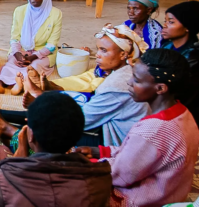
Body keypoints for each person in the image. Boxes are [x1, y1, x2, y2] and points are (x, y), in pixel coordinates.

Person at [74, 49, 199, 206]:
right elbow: (134, 154)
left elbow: (121, 175)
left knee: (67, 185)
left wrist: (88, 164)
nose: (129, 82)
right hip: (172, 193)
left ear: (160, 88)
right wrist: (101, 152)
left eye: (137, 80)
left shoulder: (152, 130)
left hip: (139, 200)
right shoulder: (183, 113)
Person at [13, 24, 150, 147]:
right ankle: (34, 102)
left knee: (43, 133)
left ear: (123, 54)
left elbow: (81, 121)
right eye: (98, 50)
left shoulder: (117, 84)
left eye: (104, 50)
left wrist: (44, 113)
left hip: (112, 144)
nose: (97, 55)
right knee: (48, 109)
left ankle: (9, 129)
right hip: (104, 125)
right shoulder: (126, 71)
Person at [0, 92, 113, 207]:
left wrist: (17, 161)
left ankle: (1, 134)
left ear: (32, 136)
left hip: (12, 172)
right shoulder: (100, 181)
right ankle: (4, 128)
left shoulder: (2, 180)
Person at [0, 0, 61, 95]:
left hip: (42, 53)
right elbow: (15, 37)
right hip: (22, 50)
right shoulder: (20, 11)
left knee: (34, 67)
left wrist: (32, 57)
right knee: (11, 63)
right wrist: (18, 54)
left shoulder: (56, 14)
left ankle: (20, 84)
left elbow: (51, 44)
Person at [162, 0, 199, 139]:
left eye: (171, 22)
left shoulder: (196, 59)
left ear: (188, 27)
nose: (165, 26)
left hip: (193, 119)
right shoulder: (167, 45)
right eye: (165, 21)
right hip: (168, 100)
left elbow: (180, 96)